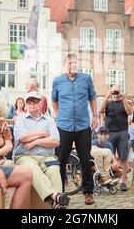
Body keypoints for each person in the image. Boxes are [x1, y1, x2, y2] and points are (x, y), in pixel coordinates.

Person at [52, 52, 98, 205]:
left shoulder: (86, 79)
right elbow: (54, 100)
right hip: (64, 126)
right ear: (65, 65)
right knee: (61, 160)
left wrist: (96, 115)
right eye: (70, 63)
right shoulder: (57, 81)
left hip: (83, 125)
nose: (73, 65)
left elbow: (92, 97)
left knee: (85, 160)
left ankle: (88, 192)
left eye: (75, 63)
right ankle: (59, 192)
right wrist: (58, 116)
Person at [13, 91, 69, 209]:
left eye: (35, 101)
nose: (32, 104)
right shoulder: (20, 119)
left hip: (47, 156)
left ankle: (56, 204)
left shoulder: (49, 120)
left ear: (40, 103)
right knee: (32, 168)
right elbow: (23, 138)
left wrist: (35, 141)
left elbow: (55, 141)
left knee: (54, 168)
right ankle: (55, 196)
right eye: (29, 102)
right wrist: (43, 134)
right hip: (25, 156)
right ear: (26, 105)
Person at [99, 85, 134, 191]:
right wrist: (106, 96)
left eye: (117, 91)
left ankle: (122, 182)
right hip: (109, 133)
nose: (115, 94)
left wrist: (123, 99)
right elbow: (100, 110)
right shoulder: (108, 103)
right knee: (108, 157)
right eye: (114, 91)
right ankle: (109, 181)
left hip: (122, 132)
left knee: (123, 158)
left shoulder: (124, 102)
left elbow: (129, 112)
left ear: (121, 91)